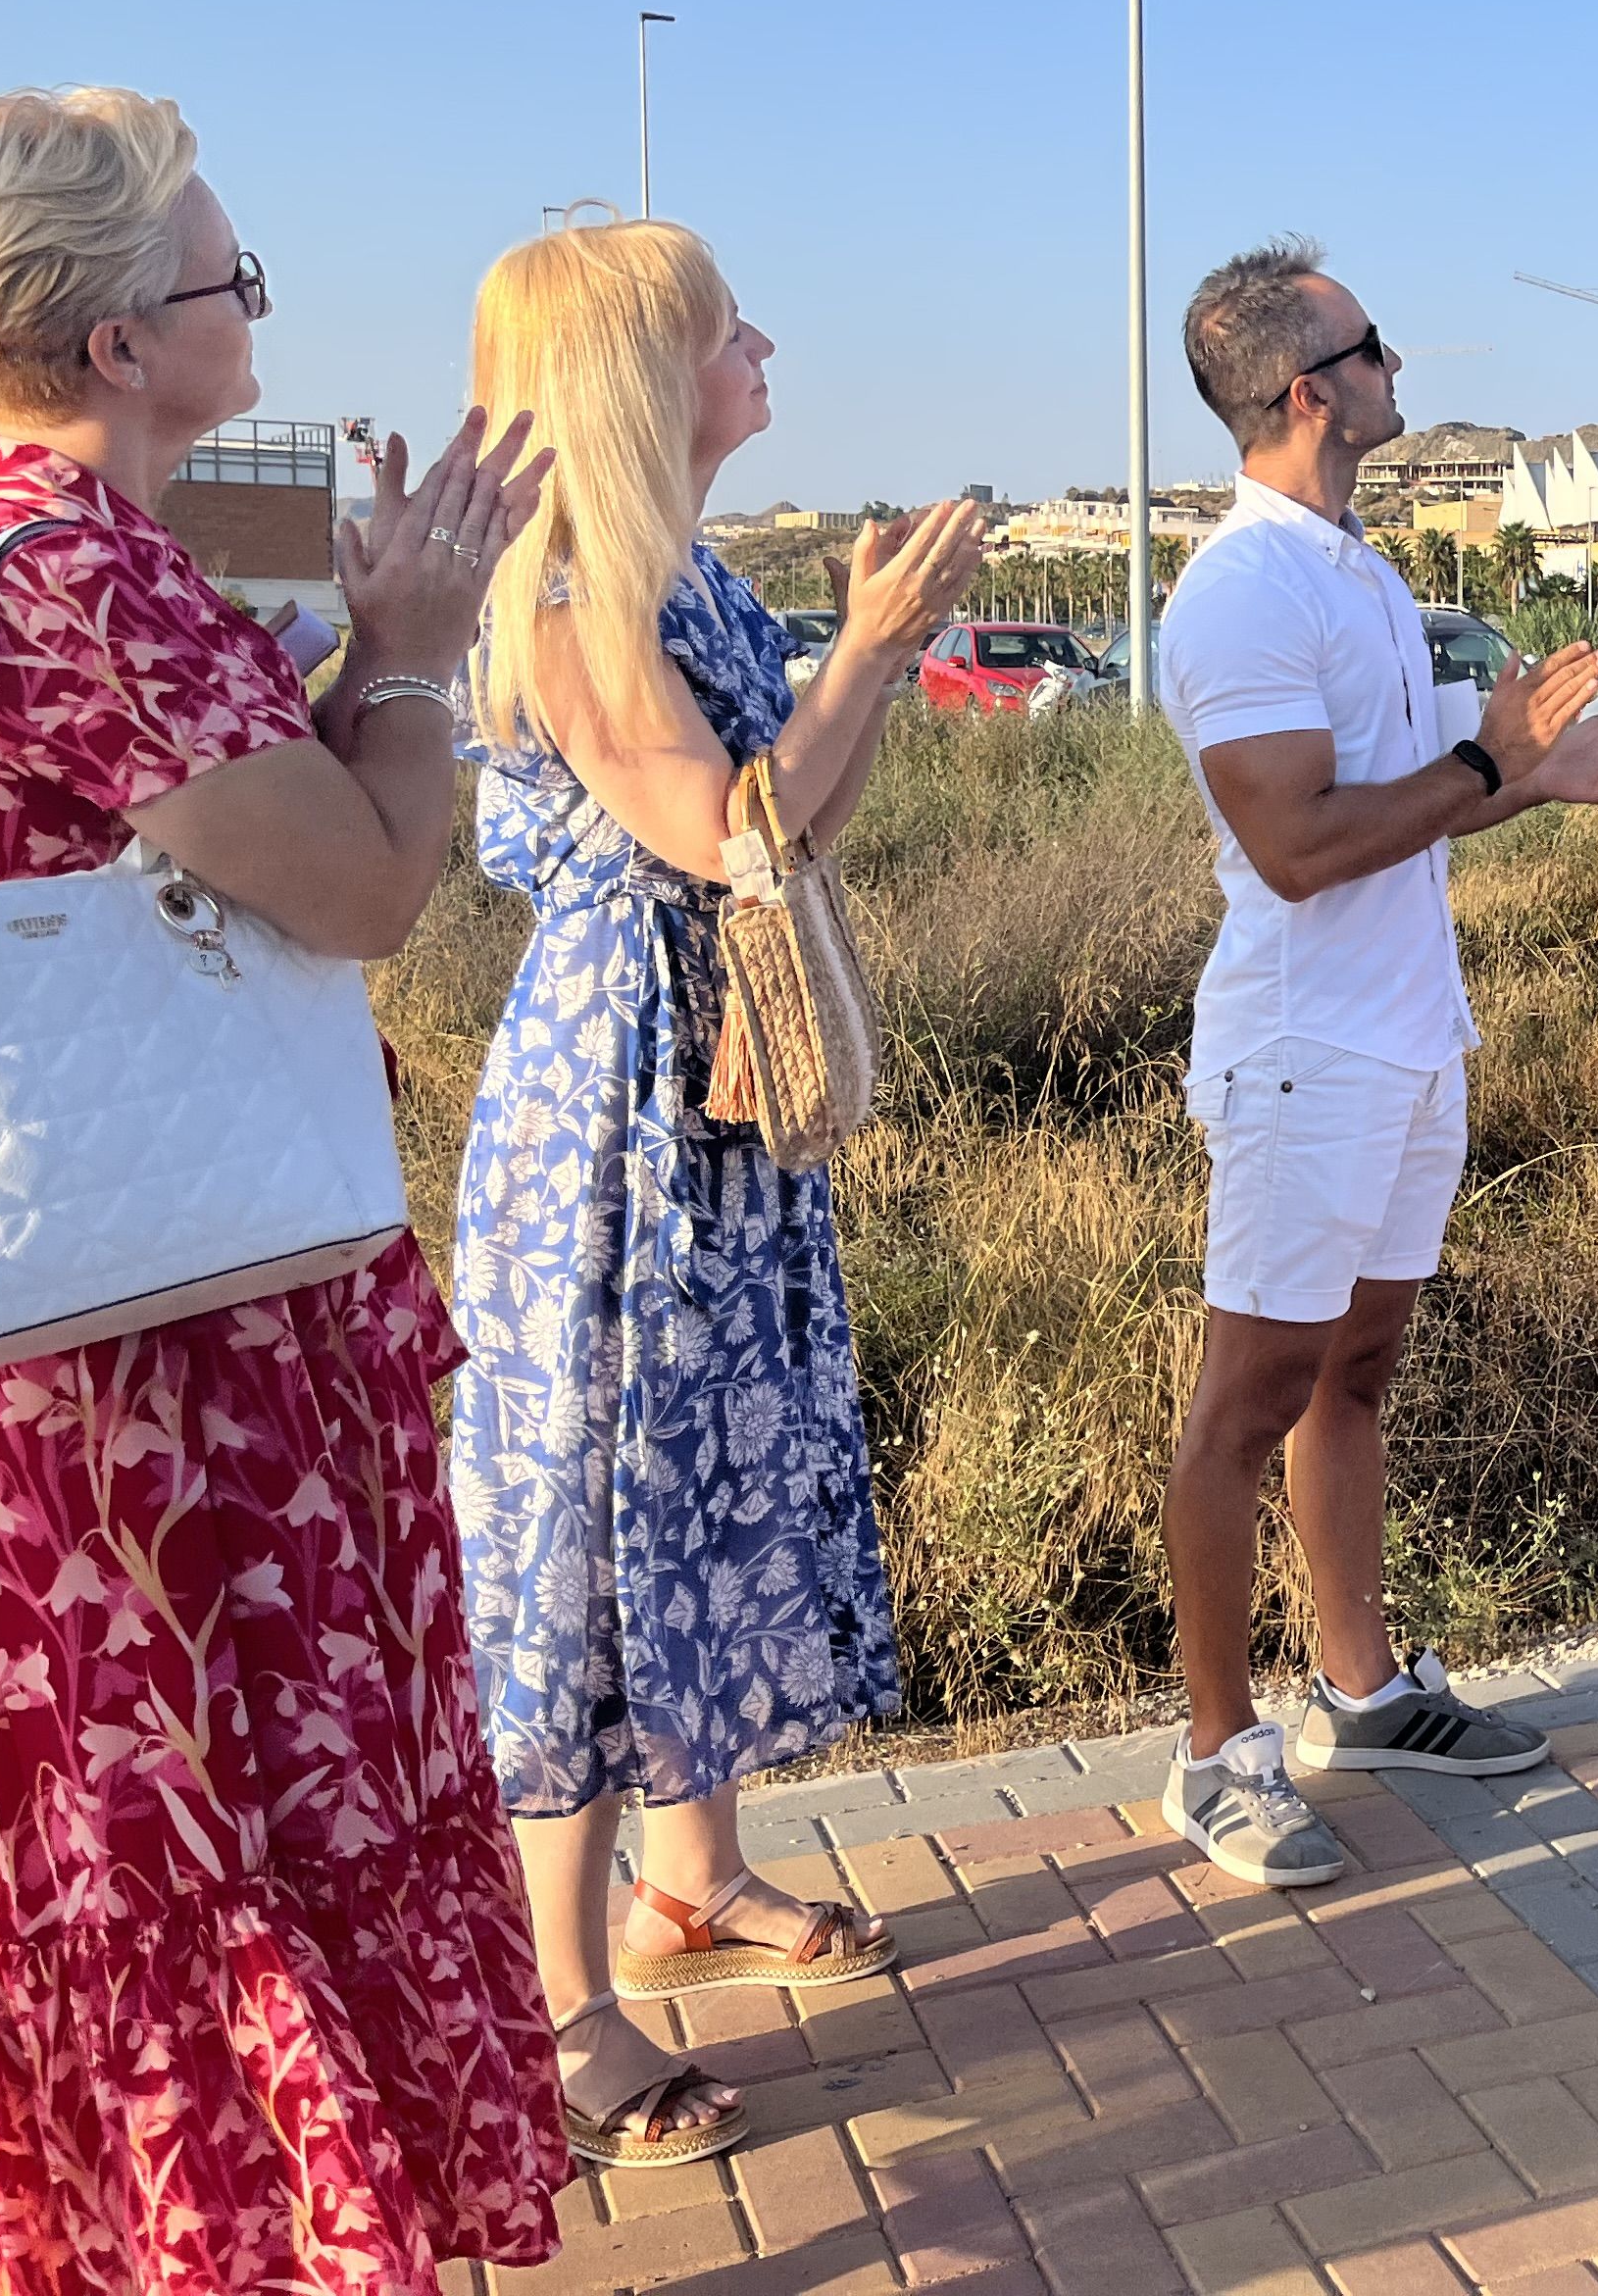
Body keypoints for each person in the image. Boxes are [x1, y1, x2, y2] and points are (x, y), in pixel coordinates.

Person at [0, 88, 570, 2283]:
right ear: (112, 346)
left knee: (138, 1857)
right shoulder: (82, 576)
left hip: (91, 1325)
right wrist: (426, 655)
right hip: (147, 1389)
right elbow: (365, 889)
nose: (253, 308)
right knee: (208, 1831)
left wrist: (366, 660)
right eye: (225, 282)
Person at [453, 219, 984, 2163]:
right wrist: (869, 643)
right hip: (623, 1103)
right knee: (600, 1505)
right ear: (633, 385)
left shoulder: (688, 575)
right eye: (720, 330)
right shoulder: (576, 590)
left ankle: (693, 1880)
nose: (761, 346)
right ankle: (564, 1998)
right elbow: (713, 826)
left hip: (714, 1080)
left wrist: (858, 659)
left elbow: (800, 824)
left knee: (700, 1475)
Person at [1152, 240, 1598, 1886]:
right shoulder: (1243, 587)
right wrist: (1484, 754)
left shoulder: (1353, 566)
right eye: (1371, 347)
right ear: (1309, 388)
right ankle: (1216, 1750)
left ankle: (1360, 1687)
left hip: (1402, 1039)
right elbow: (1299, 847)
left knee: (1353, 1373)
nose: (1397, 368)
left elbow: (1408, 803)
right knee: (1247, 1400)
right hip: (1304, 1051)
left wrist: (1538, 780)